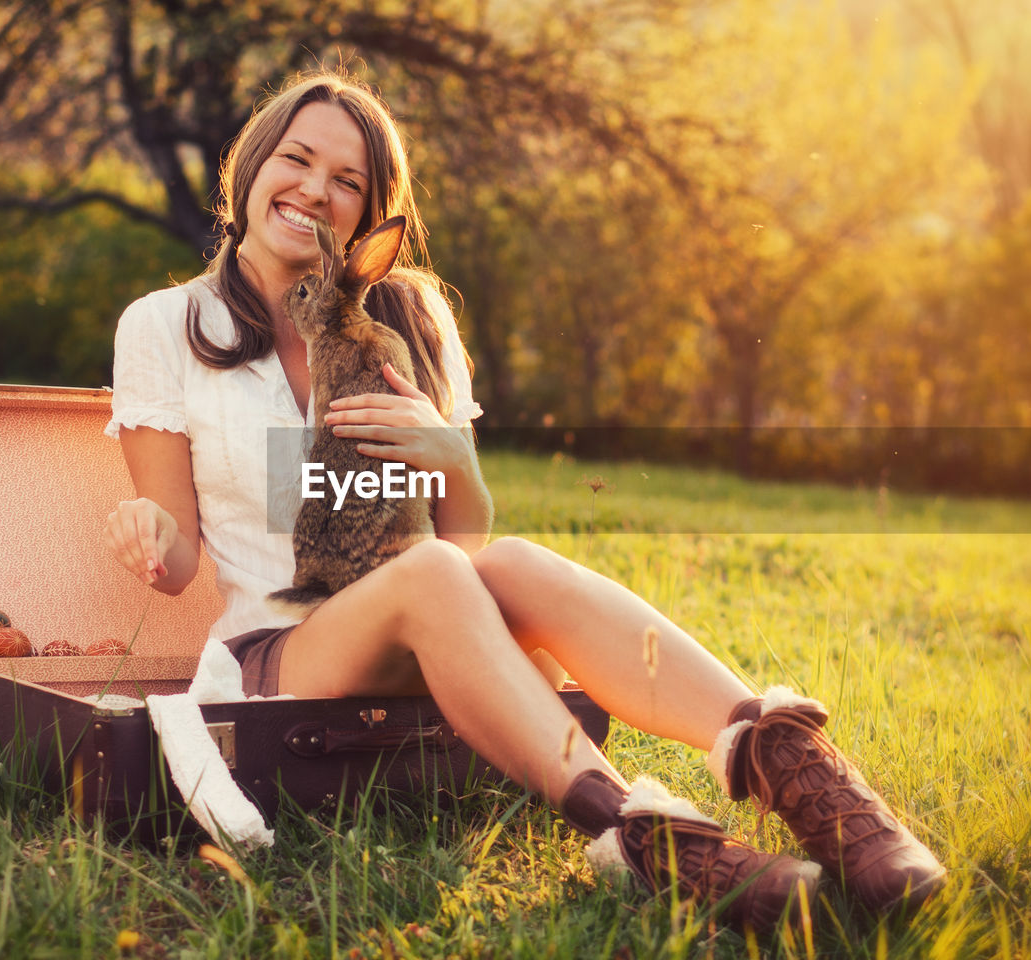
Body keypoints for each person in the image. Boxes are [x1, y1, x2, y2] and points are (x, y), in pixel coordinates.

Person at [102, 70, 945, 934]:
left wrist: (448, 457)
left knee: (502, 562)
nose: (316, 190)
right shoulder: (166, 326)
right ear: (250, 168)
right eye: (298, 159)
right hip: (279, 658)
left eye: (348, 180)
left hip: (439, 624)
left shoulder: (413, 316)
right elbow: (174, 567)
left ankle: (805, 773)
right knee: (434, 572)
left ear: (369, 216)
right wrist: (147, 531)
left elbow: (466, 540)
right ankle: (647, 841)